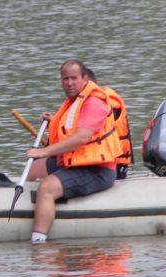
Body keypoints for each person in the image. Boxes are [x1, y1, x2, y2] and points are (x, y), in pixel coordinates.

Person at [25, 60, 120, 243]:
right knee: (34, 169)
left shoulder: (93, 102)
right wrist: (53, 122)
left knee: (46, 188)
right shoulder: (75, 101)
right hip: (75, 162)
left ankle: (38, 244)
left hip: (97, 170)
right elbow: (71, 127)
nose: (69, 83)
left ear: (85, 78)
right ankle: (11, 203)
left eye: (74, 78)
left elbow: (81, 138)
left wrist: (45, 151)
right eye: (65, 79)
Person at [83, 67, 132, 180]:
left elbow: (86, 129)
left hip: (113, 165)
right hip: (97, 160)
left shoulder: (106, 103)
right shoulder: (87, 102)